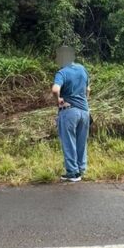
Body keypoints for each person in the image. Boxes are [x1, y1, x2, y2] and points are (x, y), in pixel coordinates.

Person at [51, 46, 90, 183]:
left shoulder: (62, 73)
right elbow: (88, 89)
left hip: (69, 111)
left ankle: (72, 173)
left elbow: (55, 90)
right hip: (85, 111)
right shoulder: (82, 69)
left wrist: (58, 101)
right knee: (81, 141)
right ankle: (81, 169)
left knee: (69, 142)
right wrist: (84, 100)